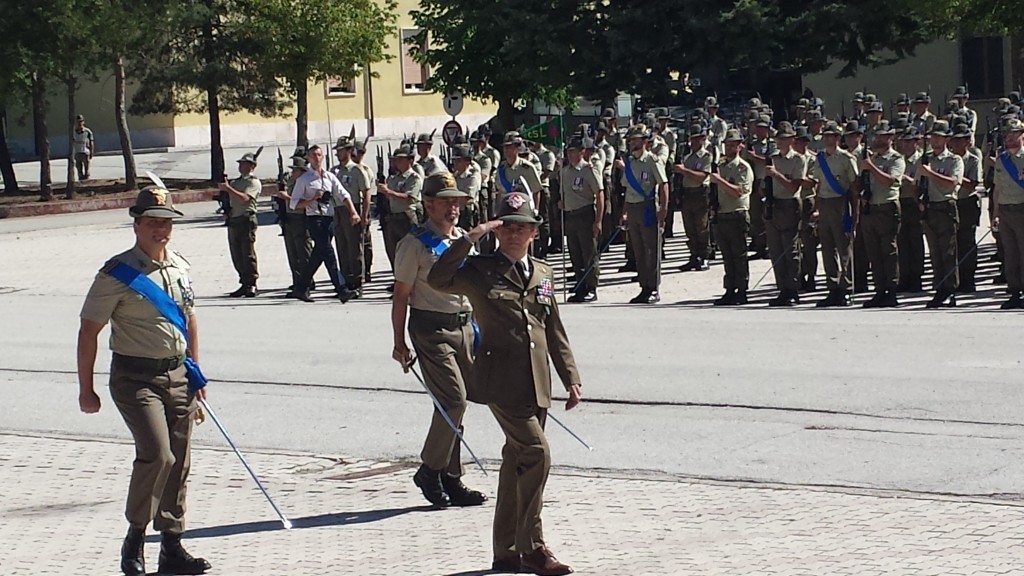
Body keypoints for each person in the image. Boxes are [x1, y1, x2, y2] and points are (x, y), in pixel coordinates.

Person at [427, 191, 582, 576]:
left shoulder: (543, 272)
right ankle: (533, 545)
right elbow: (438, 278)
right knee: (536, 453)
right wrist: (470, 238)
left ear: (533, 232)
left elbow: (553, 329)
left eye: (523, 227)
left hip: (537, 382)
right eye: (507, 227)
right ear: (498, 231)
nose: (515, 234)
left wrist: (571, 377)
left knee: (517, 462)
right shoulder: (480, 270)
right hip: (500, 382)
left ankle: (506, 551)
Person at [77, 186, 211, 576]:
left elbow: (189, 321)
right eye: (152, 222)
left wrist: (197, 371)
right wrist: (87, 389)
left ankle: (172, 545)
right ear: (136, 225)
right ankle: (135, 537)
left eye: (166, 222)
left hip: (178, 375)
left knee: (180, 460)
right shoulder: (117, 273)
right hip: (136, 377)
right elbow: (89, 331)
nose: (161, 230)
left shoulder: (180, 267)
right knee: (159, 454)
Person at [391, 173, 488, 508]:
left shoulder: (461, 239)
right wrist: (398, 342)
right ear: (428, 205)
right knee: (454, 401)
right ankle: (429, 471)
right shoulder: (414, 244)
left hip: (463, 327)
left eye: (456, 201)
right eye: (446, 201)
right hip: (431, 329)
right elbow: (401, 296)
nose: (453, 207)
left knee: (455, 405)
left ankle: (452, 476)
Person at [289, 145, 359, 303]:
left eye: (319, 155)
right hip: (314, 219)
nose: (317, 158)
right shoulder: (304, 179)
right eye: (313, 155)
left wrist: (353, 212)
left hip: (329, 219)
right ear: (308, 158)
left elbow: (343, 194)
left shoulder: (329, 177)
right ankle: (341, 289)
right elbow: (294, 204)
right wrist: (312, 199)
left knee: (318, 255)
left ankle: (301, 287)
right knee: (328, 254)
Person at [615, 124, 668, 304]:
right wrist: (624, 213)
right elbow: (628, 189)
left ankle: (653, 287)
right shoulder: (630, 162)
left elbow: (663, 184)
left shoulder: (652, 160)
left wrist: (663, 209)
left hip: (647, 206)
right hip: (632, 206)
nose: (632, 142)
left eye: (636, 139)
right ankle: (644, 286)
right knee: (638, 248)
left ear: (645, 141)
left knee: (651, 248)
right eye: (631, 140)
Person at [809, 121, 860, 307]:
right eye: (825, 136)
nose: (827, 140)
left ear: (837, 138)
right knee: (827, 248)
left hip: (841, 203)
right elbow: (819, 184)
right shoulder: (820, 158)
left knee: (843, 247)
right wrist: (816, 208)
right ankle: (832, 287)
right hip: (825, 203)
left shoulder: (846, 158)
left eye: (830, 136)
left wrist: (855, 216)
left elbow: (855, 188)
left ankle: (845, 287)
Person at [858, 121, 906, 307]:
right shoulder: (871, 159)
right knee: (873, 252)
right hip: (870, 207)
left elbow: (890, 182)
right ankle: (879, 289)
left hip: (887, 207)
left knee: (889, 250)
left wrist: (871, 167)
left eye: (881, 136)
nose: (877, 140)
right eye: (876, 136)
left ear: (890, 138)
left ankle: (891, 290)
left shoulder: (896, 159)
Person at [919, 120, 964, 308]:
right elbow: (917, 183)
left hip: (946, 207)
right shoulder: (925, 159)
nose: (934, 140)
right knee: (935, 253)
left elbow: (952, 183)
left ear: (946, 139)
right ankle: (939, 288)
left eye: (938, 137)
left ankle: (951, 289)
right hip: (930, 208)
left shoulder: (954, 160)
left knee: (948, 251)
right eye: (932, 137)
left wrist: (930, 173)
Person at [764, 122, 808, 306]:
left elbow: (793, 187)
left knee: (790, 250)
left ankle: (793, 288)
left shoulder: (798, 160)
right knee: (776, 249)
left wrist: (776, 175)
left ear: (792, 141)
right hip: (774, 204)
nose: (781, 142)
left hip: (789, 205)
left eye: (785, 139)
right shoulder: (772, 158)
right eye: (779, 139)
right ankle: (782, 288)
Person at [710, 129, 754, 305]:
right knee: (727, 256)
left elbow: (739, 192)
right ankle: (730, 289)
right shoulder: (720, 166)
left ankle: (742, 290)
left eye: (733, 145)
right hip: (721, 214)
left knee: (739, 255)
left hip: (737, 214)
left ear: (740, 147)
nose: (729, 148)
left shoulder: (743, 167)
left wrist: (719, 180)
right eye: (727, 145)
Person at [560, 137, 604, 303]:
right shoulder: (565, 171)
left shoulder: (588, 170)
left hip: (585, 214)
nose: (571, 155)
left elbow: (599, 193)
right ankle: (580, 285)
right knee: (574, 253)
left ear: (582, 152)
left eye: (574, 151)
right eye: (569, 152)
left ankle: (591, 287)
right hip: (570, 215)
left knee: (589, 253)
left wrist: (598, 220)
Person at [218, 151, 262, 297]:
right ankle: (244, 282)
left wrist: (228, 188)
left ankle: (252, 283)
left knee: (247, 253)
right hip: (234, 219)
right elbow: (231, 199)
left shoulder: (253, 182)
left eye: (245, 164)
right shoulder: (236, 182)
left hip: (246, 219)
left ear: (252, 166)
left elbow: (244, 199)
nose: (241, 166)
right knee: (236, 253)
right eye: (241, 164)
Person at [332, 136, 372, 297]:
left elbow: (366, 192)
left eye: (340, 151)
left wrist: (364, 214)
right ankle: (346, 280)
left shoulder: (356, 170)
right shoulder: (335, 171)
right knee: (341, 246)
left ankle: (357, 282)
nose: (337, 154)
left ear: (349, 151)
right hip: (338, 210)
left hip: (352, 209)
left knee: (355, 247)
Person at [991, 118, 1024, 308]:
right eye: (1007, 135)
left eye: (1014, 134)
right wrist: (995, 213)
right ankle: (1014, 291)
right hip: (1006, 210)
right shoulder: (1002, 159)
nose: (1010, 138)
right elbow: (997, 188)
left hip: (1022, 208)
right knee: (1010, 253)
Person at [379, 144, 424, 279]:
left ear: (409, 161)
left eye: (400, 159)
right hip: (394, 217)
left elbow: (410, 198)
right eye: (396, 159)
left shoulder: (414, 178)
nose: (397, 162)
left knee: (409, 252)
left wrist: (389, 192)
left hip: (407, 217)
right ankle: (398, 280)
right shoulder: (393, 179)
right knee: (394, 252)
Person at [673, 124, 713, 272]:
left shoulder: (706, 156)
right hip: (687, 193)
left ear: (703, 139)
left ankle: (704, 256)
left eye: (697, 139)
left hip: (700, 193)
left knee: (701, 226)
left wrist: (684, 170)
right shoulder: (687, 157)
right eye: (692, 139)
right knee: (689, 227)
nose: (694, 142)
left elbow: (702, 177)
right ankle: (694, 255)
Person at [949, 124, 984, 293]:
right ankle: (954, 279)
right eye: (954, 140)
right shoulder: (948, 159)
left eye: (959, 140)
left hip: (967, 203)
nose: (955, 144)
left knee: (967, 243)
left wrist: (956, 176)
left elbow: (973, 184)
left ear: (967, 142)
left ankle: (968, 279)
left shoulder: (972, 160)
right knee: (952, 244)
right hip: (951, 202)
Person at [896, 128, 926, 293]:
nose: (906, 145)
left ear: (917, 142)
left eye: (910, 141)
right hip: (900, 201)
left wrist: (907, 179)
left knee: (915, 242)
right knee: (902, 242)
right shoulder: (898, 159)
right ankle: (904, 275)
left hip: (914, 202)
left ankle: (916, 277)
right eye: (904, 141)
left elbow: (920, 181)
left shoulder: (921, 159)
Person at [73, 114, 95, 180]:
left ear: (83, 122)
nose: (79, 123)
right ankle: (81, 181)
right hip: (77, 152)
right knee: (79, 170)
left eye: (81, 121)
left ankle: (86, 180)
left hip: (85, 152)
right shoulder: (73, 132)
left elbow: (91, 142)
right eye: (78, 122)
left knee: (86, 169)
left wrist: (92, 152)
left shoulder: (87, 132)